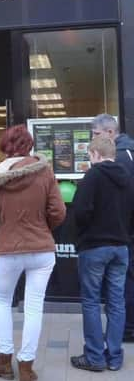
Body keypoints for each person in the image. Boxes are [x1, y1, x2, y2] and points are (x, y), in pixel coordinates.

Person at [0, 125, 66, 381]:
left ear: (5, 146)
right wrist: (42, 228)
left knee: (3, 302)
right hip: (42, 250)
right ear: (29, 145)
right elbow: (59, 212)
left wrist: (2, 228)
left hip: (9, 249)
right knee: (34, 307)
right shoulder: (45, 172)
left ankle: (4, 362)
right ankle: (26, 367)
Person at [69, 137, 134, 372]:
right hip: (121, 248)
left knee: (92, 302)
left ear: (96, 153)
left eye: (89, 155)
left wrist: (84, 235)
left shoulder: (92, 176)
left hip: (94, 247)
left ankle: (95, 357)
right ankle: (114, 357)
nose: (89, 159)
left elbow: (80, 212)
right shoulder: (128, 178)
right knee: (117, 302)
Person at [91, 114, 134, 342]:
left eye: (96, 134)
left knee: (122, 282)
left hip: (123, 233)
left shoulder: (121, 157)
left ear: (110, 132)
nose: (93, 139)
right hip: (124, 231)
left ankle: (126, 329)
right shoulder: (126, 152)